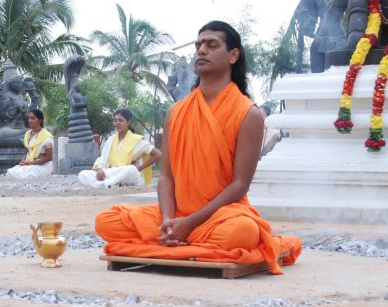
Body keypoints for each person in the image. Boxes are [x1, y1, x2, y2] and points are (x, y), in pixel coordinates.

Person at [95, 21, 302, 274]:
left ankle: (173, 240)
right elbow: (166, 176)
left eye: (212, 45)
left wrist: (190, 223)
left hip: (220, 216)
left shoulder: (248, 113)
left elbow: (240, 185)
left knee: (242, 232)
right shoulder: (176, 112)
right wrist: (168, 220)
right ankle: (177, 237)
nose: (201, 50)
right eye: (199, 45)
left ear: (233, 55)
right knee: (105, 221)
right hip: (176, 213)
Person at [78, 109, 162, 189]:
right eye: (115, 120)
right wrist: (99, 170)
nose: (117, 123)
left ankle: (106, 184)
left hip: (129, 176)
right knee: (83, 174)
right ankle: (107, 185)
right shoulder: (111, 140)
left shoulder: (137, 140)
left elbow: (158, 154)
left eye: (121, 120)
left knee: (131, 169)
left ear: (128, 122)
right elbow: (102, 159)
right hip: (112, 173)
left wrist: (140, 167)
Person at [5, 110, 54, 180]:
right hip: (29, 164)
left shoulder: (47, 136)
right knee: (10, 173)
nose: (30, 121)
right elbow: (26, 152)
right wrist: (23, 161)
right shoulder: (27, 134)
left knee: (28, 175)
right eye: (29, 118)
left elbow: (49, 157)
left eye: (33, 118)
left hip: (42, 166)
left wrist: (31, 163)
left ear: (40, 120)